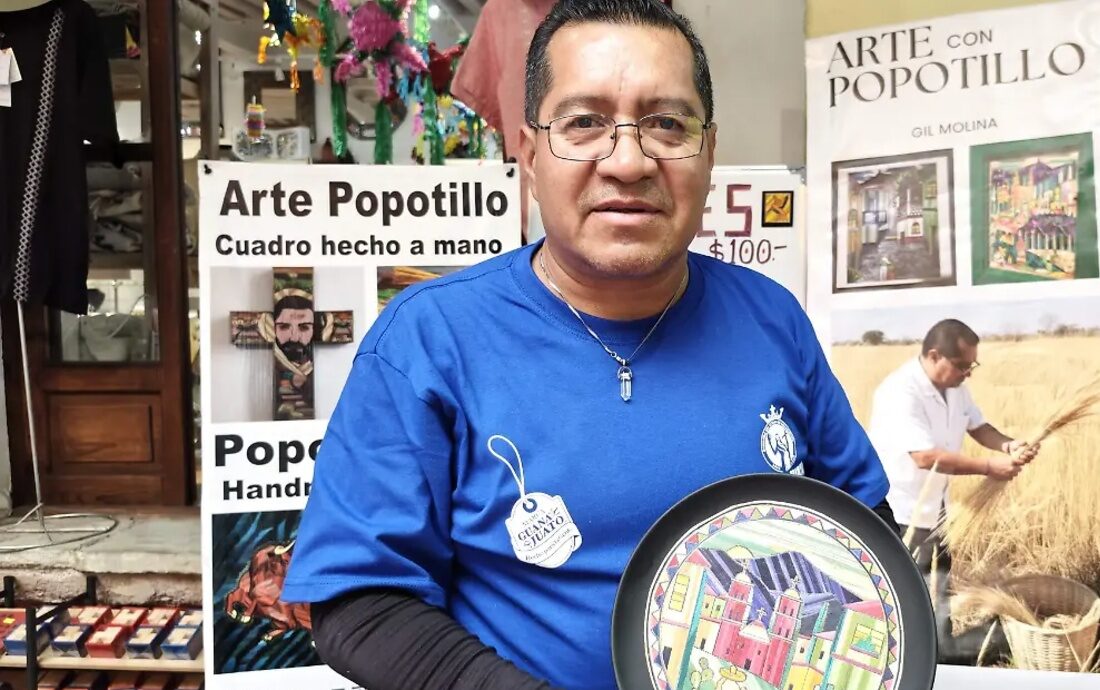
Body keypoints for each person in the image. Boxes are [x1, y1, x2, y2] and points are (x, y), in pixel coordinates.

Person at [282, 2, 892, 689]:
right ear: (529, 154)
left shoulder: (772, 318)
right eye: (584, 123)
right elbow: (360, 603)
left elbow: (865, 528)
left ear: (709, 152)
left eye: (667, 124)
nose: (628, 161)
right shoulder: (428, 339)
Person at [868, 318, 1039, 568]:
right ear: (934, 356)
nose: (968, 373)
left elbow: (978, 426)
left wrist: (1009, 445)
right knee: (913, 585)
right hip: (902, 512)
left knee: (940, 582)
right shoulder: (899, 391)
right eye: (962, 365)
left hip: (938, 511)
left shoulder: (956, 387)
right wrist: (990, 467)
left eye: (972, 365)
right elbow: (925, 457)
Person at [271, 294, 315, 418]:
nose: (294, 337)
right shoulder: (269, 368)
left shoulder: (320, 368)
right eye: (284, 327)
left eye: (304, 328)